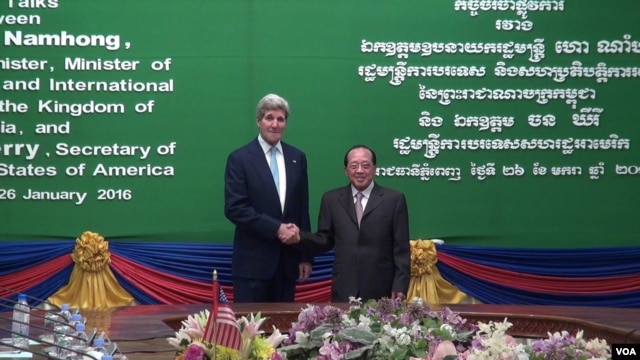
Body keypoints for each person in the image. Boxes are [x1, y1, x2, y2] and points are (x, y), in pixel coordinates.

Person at [283, 145, 410, 302]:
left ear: (375, 169)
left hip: (382, 287)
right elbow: (325, 240)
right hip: (344, 285)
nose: (360, 171)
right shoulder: (331, 199)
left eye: (366, 165)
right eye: (354, 165)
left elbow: (401, 248)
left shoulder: (394, 199)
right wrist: (299, 237)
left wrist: (400, 284)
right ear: (346, 171)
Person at [224, 93, 312, 303]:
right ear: (258, 121)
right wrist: (276, 228)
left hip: (287, 264)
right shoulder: (240, 159)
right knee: (249, 332)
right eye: (269, 118)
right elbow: (235, 208)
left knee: (283, 333)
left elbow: (302, 208)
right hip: (253, 266)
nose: (275, 124)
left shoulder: (297, 158)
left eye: (280, 119)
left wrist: (305, 256)